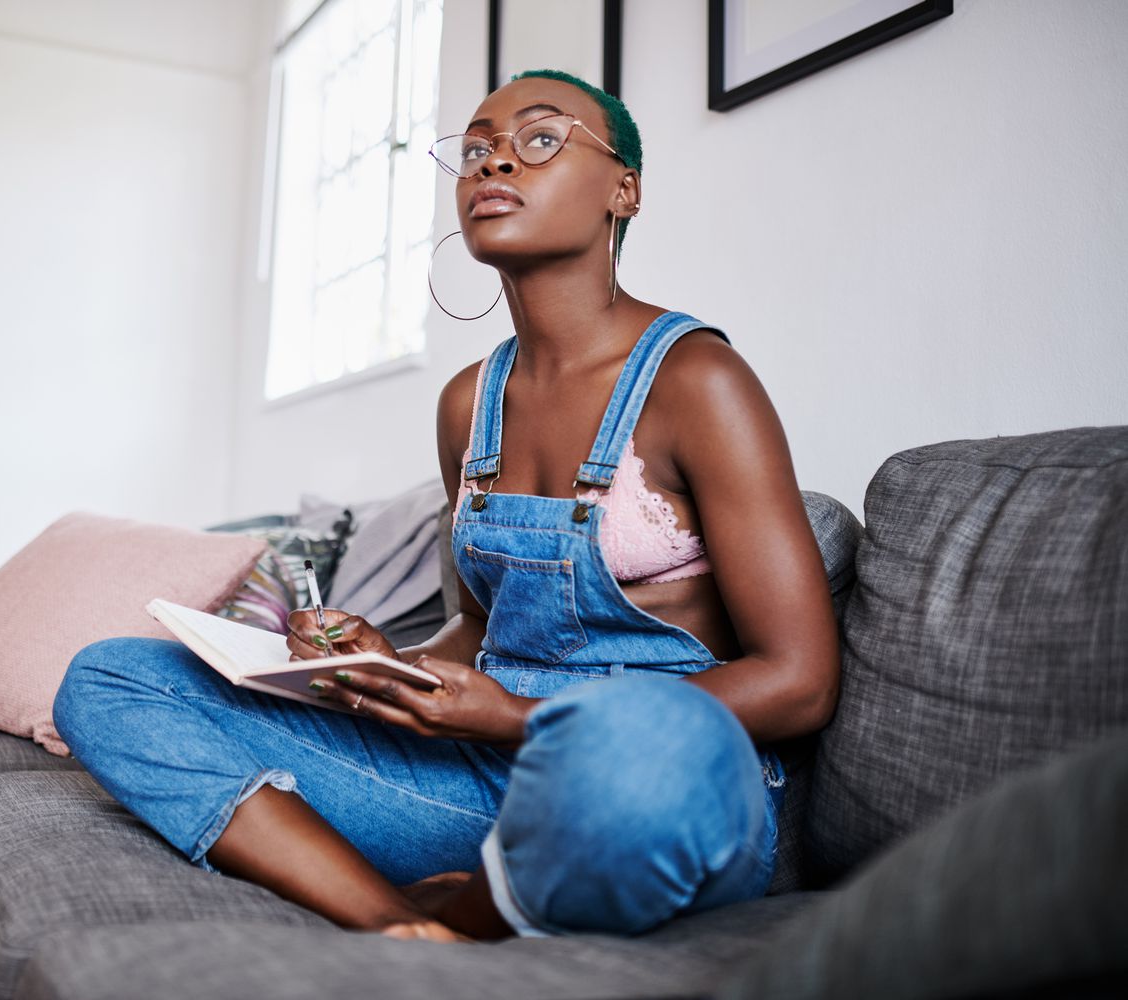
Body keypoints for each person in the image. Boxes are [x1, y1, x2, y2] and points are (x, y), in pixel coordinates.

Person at [52, 69, 839, 942]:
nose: (495, 157)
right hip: (478, 780)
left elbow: (800, 682)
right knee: (109, 677)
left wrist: (518, 718)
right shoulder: (470, 404)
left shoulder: (698, 381)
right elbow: (479, 625)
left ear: (625, 189)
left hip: (658, 785)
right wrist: (394, 664)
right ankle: (402, 921)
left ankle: (472, 910)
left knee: (635, 752)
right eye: (474, 150)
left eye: (539, 139)